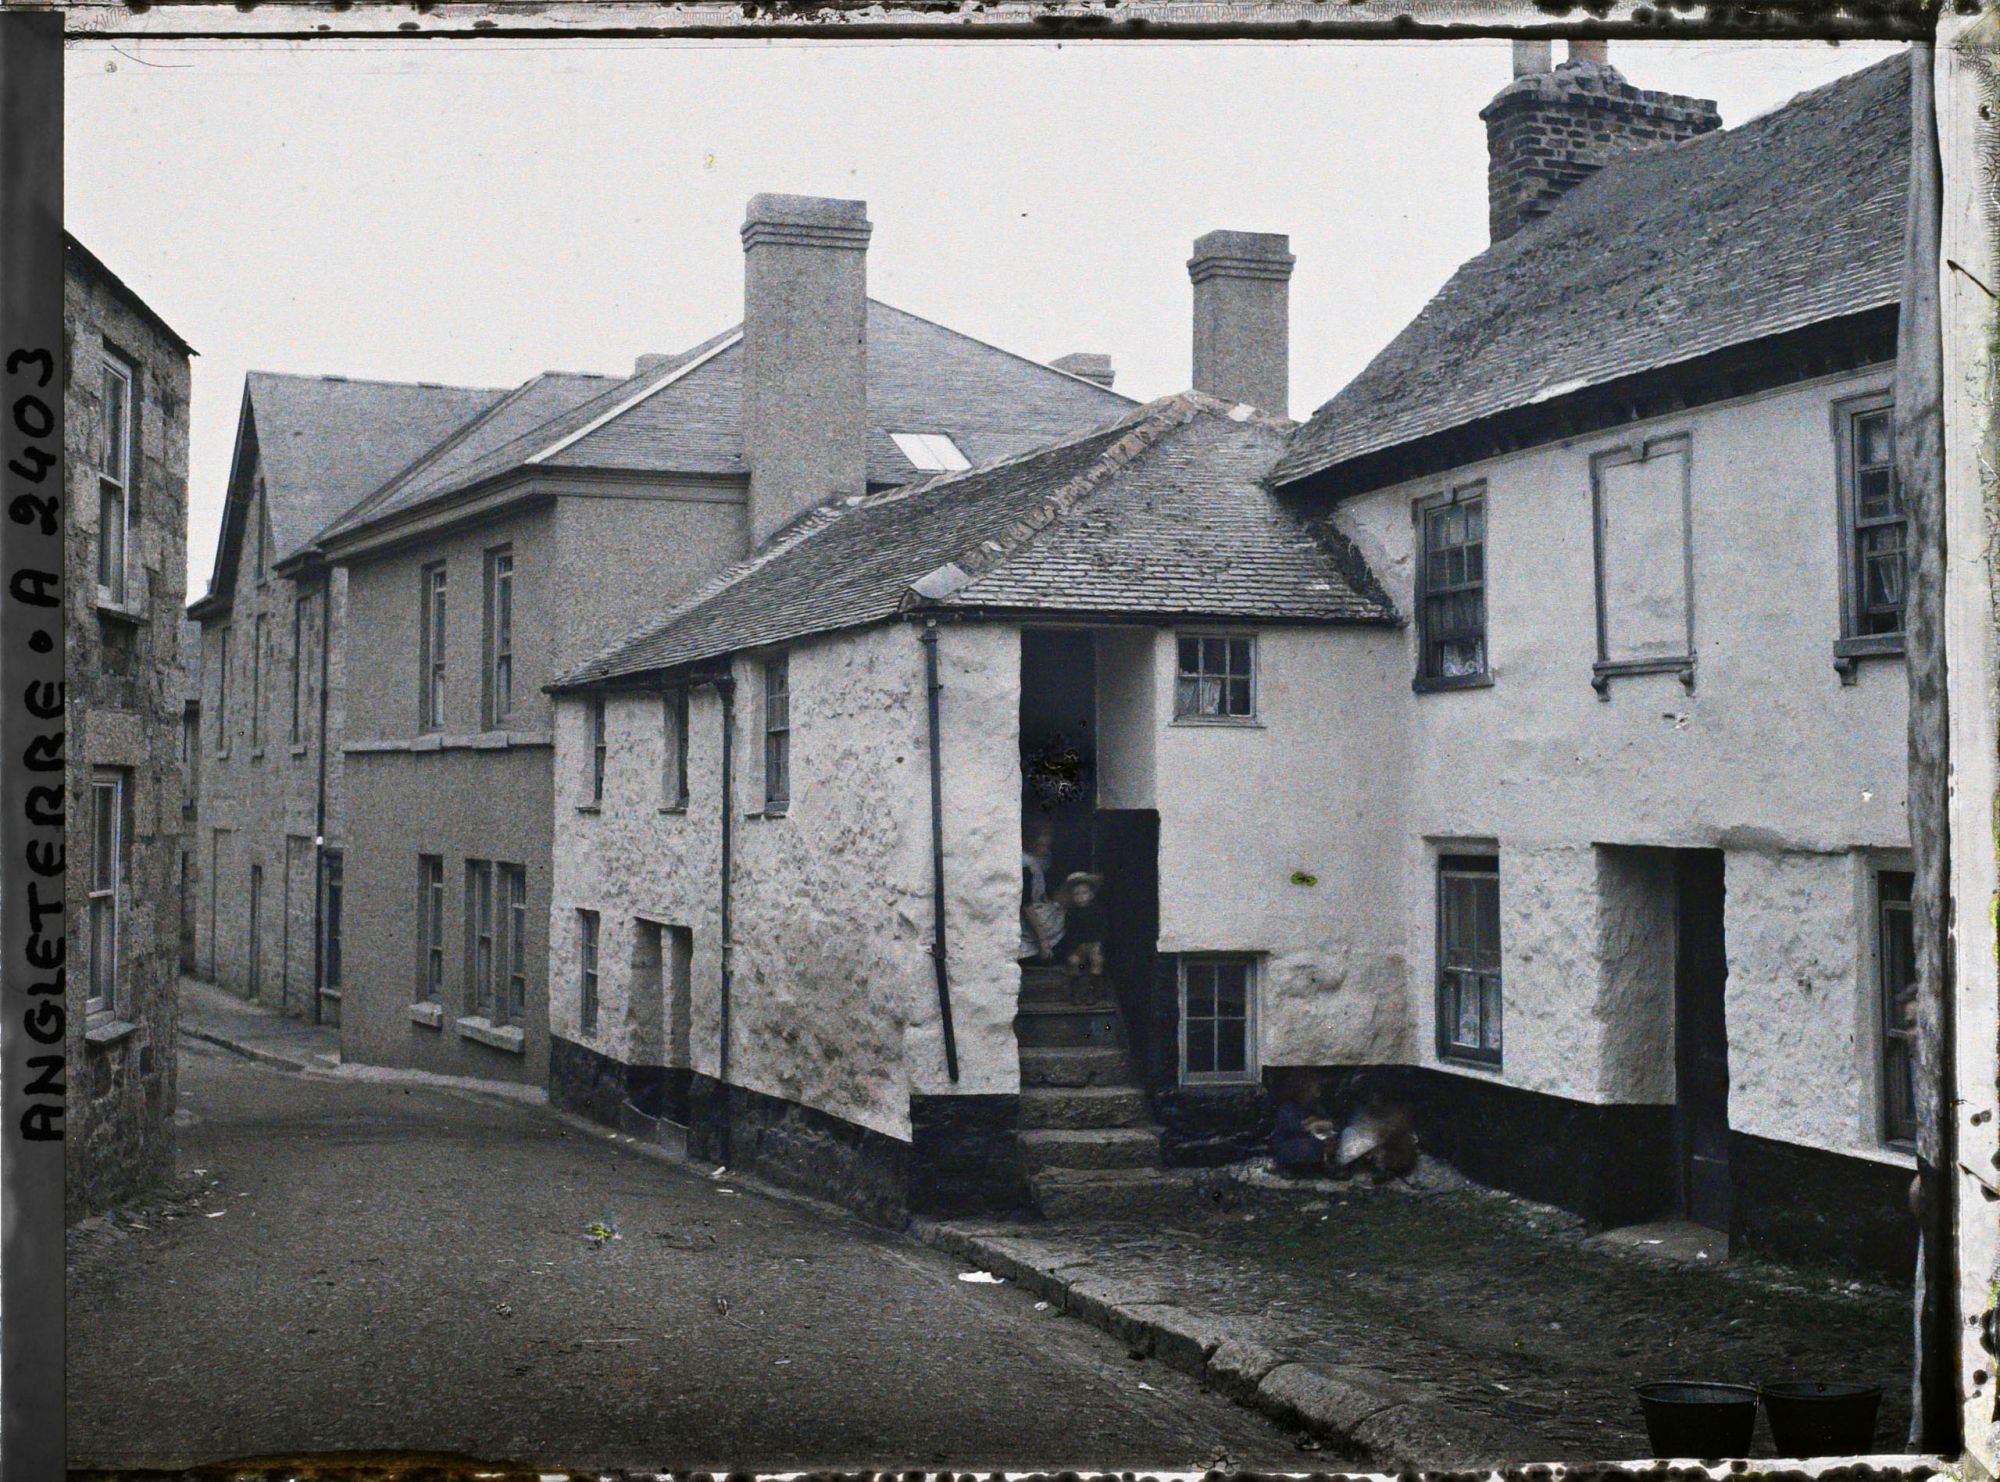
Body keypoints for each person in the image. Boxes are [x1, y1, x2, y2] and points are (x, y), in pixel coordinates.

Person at [1019, 816, 1066, 963]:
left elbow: (1040, 887)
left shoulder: (1043, 857)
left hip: (1038, 905)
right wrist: (1043, 941)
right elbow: (1026, 904)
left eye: (1049, 835)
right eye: (1043, 835)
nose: (1046, 840)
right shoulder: (1025, 863)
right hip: (1028, 916)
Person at [1060, 871, 1106, 978]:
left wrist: (1097, 944)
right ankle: (1075, 983)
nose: (1081, 897)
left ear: (1091, 894)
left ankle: (1094, 982)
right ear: (1071, 896)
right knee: (1073, 961)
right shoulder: (1071, 913)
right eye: (1076, 894)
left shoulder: (1097, 911)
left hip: (1094, 945)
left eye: (1084, 893)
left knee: (1097, 960)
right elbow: (1069, 931)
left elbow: (1102, 928)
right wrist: (1077, 946)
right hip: (1077, 947)